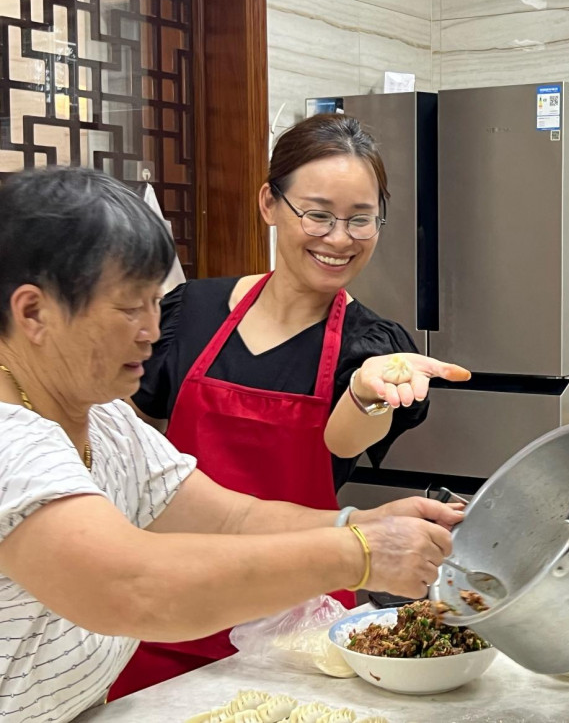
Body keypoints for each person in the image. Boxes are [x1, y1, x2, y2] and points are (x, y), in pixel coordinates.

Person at [0, 166, 461, 722]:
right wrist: (358, 554)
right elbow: (134, 587)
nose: (151, 329)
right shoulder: (11, 439)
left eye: (154, 301)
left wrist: (362, 522)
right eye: (129, 308)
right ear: (33, 312)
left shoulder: (106, 422)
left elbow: (230, 519)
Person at [110, 113, 471, 697]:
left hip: (297, 630)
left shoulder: (371, 346)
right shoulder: (189, 314)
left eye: (361, 220)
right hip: (167, 614)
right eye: (319, 214)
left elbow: (344, 441)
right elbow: (128, 443)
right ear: (269, 204)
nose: (339, 238)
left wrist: (365, 392)